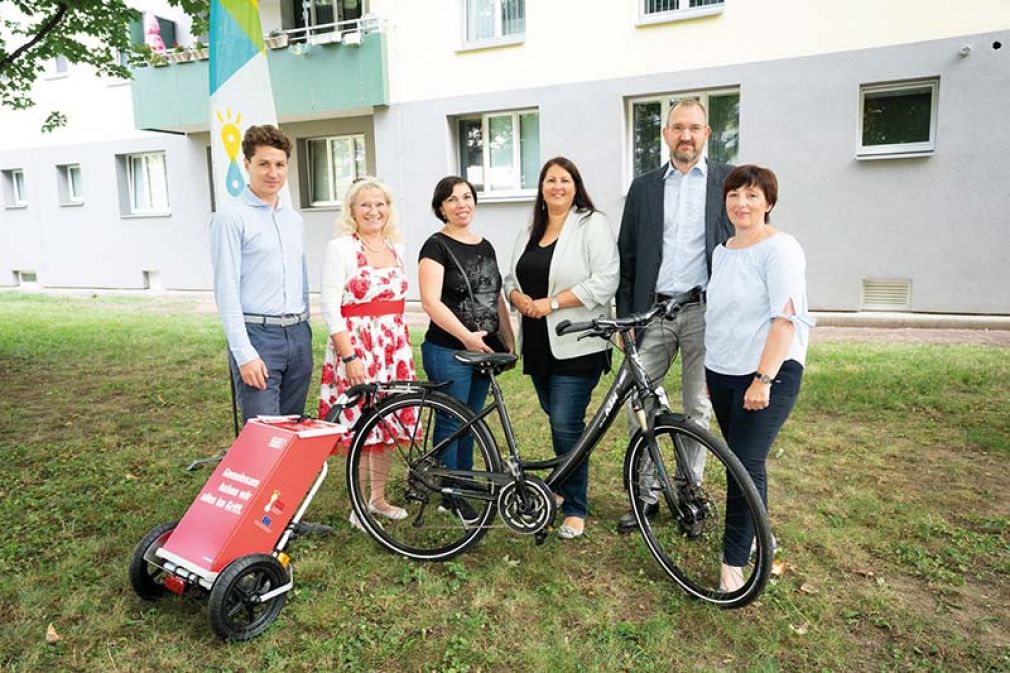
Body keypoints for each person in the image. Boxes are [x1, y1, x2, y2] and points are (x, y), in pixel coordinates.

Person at [614, 99, 734, 533]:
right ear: (665, 134)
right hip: (652, 312)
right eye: (678, 127)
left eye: (695, 128)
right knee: (638, 403)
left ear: (707, 134)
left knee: (697, 409)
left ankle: (690, 497)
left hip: (705, 311)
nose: (686, 136)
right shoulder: (644, 187)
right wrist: (627, 321)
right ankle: (644, 495)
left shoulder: (727, 184)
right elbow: (627, 257)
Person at [210, 124, 329, 536]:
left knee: (292, 436)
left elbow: (299, 278)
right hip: (258, 338)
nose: (273, 172)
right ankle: (254, 529)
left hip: (296, 335)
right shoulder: (230, 217)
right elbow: (225, 290)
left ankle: (285, 519)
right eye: (264, 163)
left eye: (280, 164)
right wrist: (244, 353)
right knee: (262, 439)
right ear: (247, 164)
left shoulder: (292, 218)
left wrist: (306, 329)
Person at [704, 164, 813, 591]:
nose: (741, 203)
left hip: (769, 373)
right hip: (724, 373)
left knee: (741, 467)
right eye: (734, 195)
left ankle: (733, 572)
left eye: (752, 195)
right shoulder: (723, 250)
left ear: (768, 202)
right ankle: (759, 538)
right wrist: (712, 375)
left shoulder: (781, 249)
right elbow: (723, 313)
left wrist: (763, 379)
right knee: (746, 461)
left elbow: (784, 321)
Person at [503, 157, 618, 539]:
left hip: (578, 339)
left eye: (564, 180)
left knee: (565, 425)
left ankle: (574, 506)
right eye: (550, 180)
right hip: (537, 342)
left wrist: (550, 303)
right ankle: (557, 486)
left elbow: (605, 281)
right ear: (541, 188)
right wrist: (518, 298)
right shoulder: (530, 230)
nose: (557, 186)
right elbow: (510, 277)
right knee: (557, 419)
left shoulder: (591, 224)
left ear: (575, 185)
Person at [317, 178, 417, 531]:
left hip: (392, 350)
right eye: (365, 205)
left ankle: (378, 498)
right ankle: (357, 505)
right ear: (352, 211)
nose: (373, 211)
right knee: (361, 424)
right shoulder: (341, 248)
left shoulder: (397, 248)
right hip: (357, 349)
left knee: (386, 423)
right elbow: (330, 308)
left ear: (388, 209)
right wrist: (349, 357)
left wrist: (399, 352)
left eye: (380, 204)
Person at [418, 176, 515, 521]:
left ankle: (466, 481)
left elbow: (495, 296)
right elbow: (431, 302)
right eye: (452, 199)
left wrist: (509, 336)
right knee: (451, 421)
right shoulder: (436, 246)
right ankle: (449, 492)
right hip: (449, 350)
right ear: (441, 207)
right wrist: (466, 337)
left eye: (467, 197)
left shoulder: (484, 245)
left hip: (483, 350)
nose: (461, 204)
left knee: (471, 422)